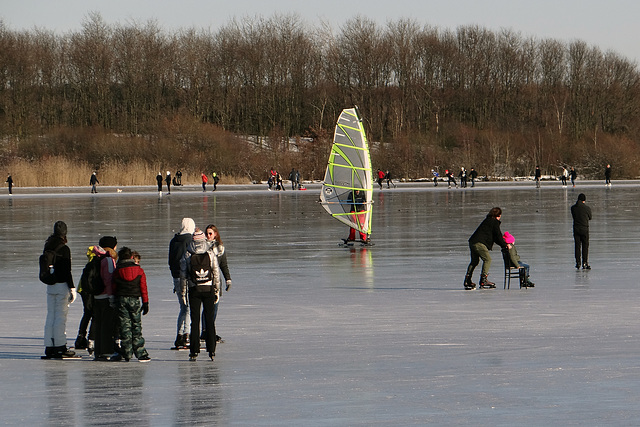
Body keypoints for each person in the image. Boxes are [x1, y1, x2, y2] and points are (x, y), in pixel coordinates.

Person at [181, 229, 221, 361]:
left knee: (195, 320)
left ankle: (194, 351)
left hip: (194, 290)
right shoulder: (210, 252)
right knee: (209, 321)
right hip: (208, 289)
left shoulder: (187, 253)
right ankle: (212, 350)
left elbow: (183, 275)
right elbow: (216, 272)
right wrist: (216, 290)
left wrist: (183, 292)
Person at [42, 221, 78, 359]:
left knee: (50, 315)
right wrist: (72, 288)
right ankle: (60, 347)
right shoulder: (64, 248)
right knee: (60, 317)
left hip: (50, 285)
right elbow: (67, 271)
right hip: (62, 285)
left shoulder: (48, 246)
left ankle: (49, 347)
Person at [110, 247, 151, 362]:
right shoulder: (139, 270)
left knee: (125, 326)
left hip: (121, 300)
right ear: (131, 257)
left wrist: (113, 299)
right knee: (136, 325)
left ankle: (127, 352)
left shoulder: (117, 271)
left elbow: (113, 287)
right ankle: (140, 352)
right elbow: (143, 287)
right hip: (135, 300)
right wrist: (146, 302)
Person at [463, 207, 508, 290]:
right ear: (499, 215)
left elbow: (495, 237)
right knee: (487, 260)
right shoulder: (494, 222)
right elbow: (498, 236)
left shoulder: (487, 220)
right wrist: (505, 245)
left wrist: (502, 244)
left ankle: (467, 280)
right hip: (479, 243)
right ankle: (483, 280)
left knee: (474, 261)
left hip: (473, 241)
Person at [168, 217, 195, 350]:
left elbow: (171, 261)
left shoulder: (173, 241)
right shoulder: (189, 240)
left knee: (183, 307)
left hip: (176, 277)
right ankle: (186, 335)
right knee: (188, 307)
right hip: (187, 278)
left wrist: (174, 277)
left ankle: (179, 336)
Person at [92, 236, 118, 360]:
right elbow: (109, 279)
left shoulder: (96, 257)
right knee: (107, 325)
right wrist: (111, 296)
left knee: (99, 325)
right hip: (105, 296)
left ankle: (98, 351)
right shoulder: (108, 259)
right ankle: (106, 351)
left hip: (96, 296)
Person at [205, 224, 232, 343]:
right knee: (207, 308)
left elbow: (223, 265)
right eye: (207, 233)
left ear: (215, 234)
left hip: (216, 282)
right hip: (205, 281)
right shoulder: (203, 246)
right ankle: (205, 332)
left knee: (214, 308)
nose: (208, 236)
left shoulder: (220, 248)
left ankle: (209, 330)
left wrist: (228, 279)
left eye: (210, 233)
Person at [571, 193, 592, 269]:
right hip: (584, 229)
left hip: (576, 229)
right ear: (584, 200)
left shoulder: (573, 208)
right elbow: (590, 217)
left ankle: (578, 262)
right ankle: (585, 262)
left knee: (577, 246)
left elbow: (574, 216)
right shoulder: (587, 208)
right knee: (585, 246)